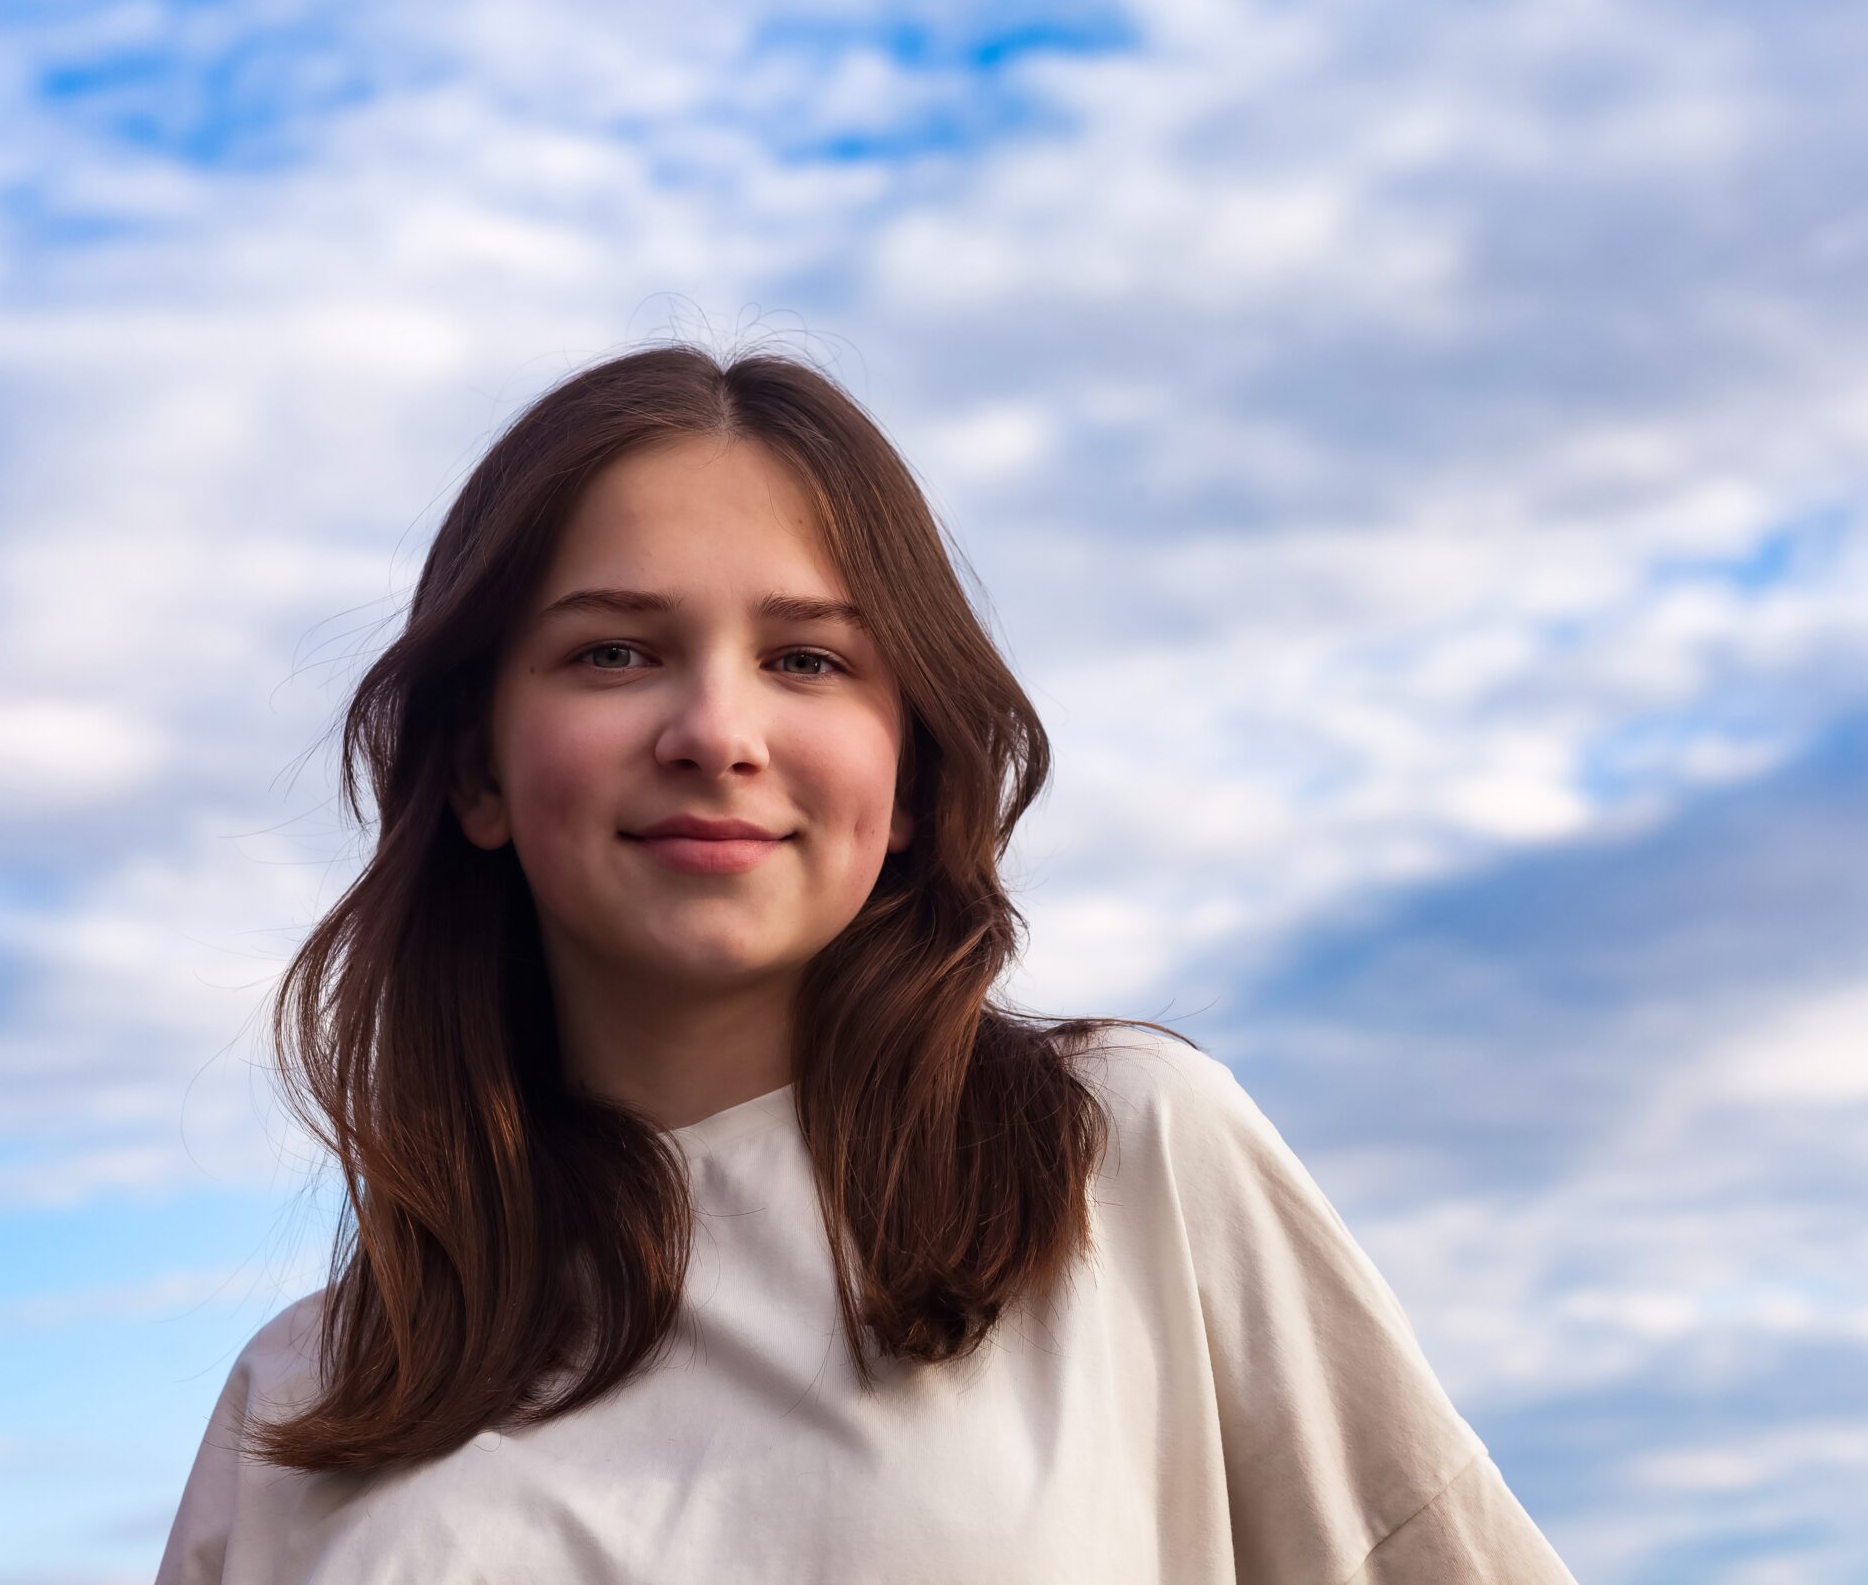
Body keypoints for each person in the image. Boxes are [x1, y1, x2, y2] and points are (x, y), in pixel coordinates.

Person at [154, 344, 1579, 1583]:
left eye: (808, 662)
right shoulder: (307, 1402)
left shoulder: (1125, 1163)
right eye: (614, 653)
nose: (716, 729)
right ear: (474, 768)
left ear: (906, 780)